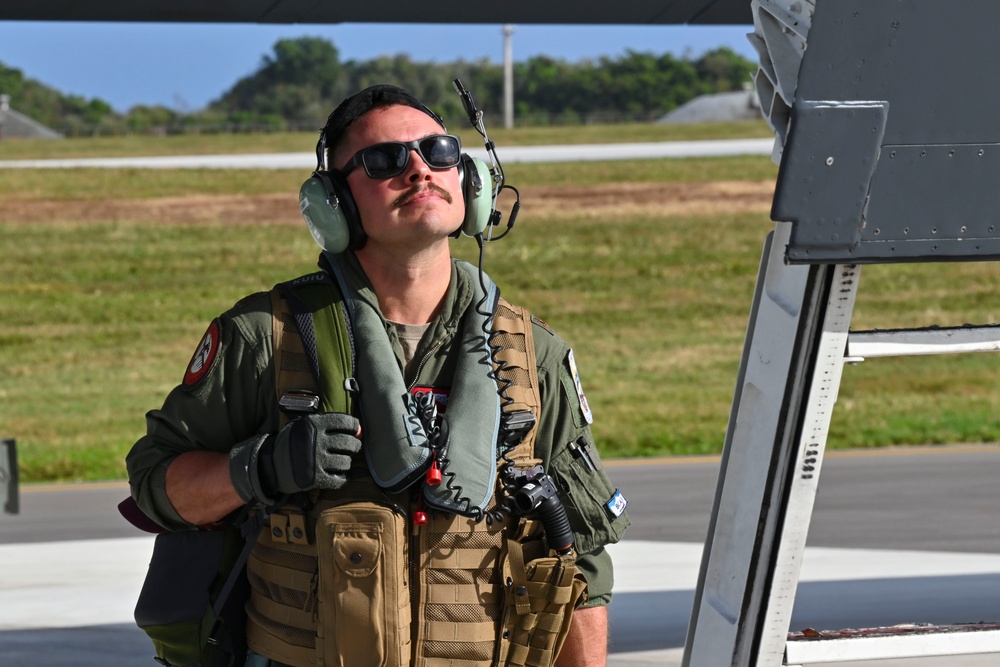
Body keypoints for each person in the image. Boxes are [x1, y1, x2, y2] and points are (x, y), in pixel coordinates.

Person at [126, 83, 630, 667]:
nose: (419, 169)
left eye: (439, 151)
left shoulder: (531, 353)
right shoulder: (269, 335)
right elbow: (158, 483)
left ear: (471, 182)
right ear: (333, 203)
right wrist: (258, 468)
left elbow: (581, 559)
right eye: (385, 160)